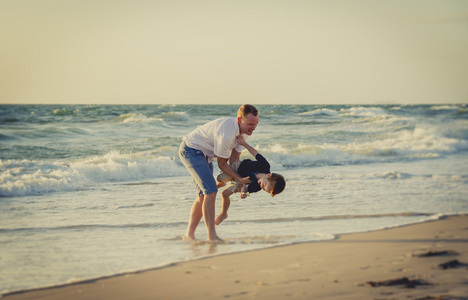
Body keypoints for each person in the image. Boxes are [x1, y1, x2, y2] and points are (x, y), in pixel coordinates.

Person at [179, 104, 259, 242]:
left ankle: (189, 235)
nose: (254, 127)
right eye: (250, 124)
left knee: (204, 196)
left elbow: (234, 160)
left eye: (256, 123)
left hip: (205, 155)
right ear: (239, 120)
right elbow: (222, 164)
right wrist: (239, 178)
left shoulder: (243, 132)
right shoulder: (227, 134)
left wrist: (238, 181)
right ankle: (212, 236)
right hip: (191, 150)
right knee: (210, 192)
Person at [215, 135, 285, 225]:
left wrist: (243, 193)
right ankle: (238, 137)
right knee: (220, 177)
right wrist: (244, 144)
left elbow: (245, 187)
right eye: (264, 185)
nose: (261, 187)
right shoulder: (264, 165)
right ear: (268, 175)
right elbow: (255, 153)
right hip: (238, 167)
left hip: (240, 181)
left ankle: (223, 214)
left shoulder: (256, 187)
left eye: (264, 189)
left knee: (224, 194)